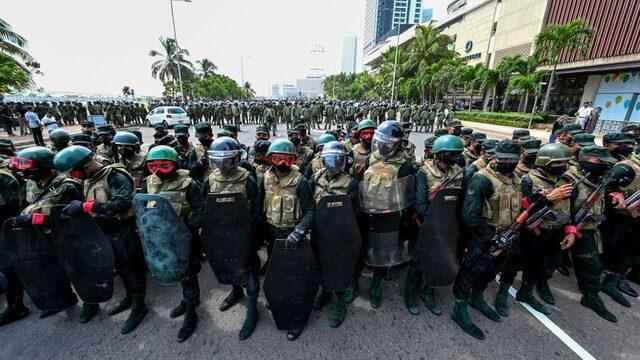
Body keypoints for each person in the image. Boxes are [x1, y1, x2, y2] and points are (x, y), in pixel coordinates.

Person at [53, 146, 149, 331]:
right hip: (104, 231)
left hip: (123, 229)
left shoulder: (115, 176)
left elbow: (121, 204)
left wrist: (85, 207)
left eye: (74, 171)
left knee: (131, 267)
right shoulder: (89, 180)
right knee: (120, 266)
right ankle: (129, 297)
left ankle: (139, 305)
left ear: (86, 166)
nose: (74, 176)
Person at [451, 140, 522, 340]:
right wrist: (487, 237)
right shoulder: (482, 179)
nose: (508, 163)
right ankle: (460, 308)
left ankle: (477, 298)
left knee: (491, 271)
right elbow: (469, 217)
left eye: (513, 160)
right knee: (470, 272)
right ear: (495, 157)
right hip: (483, 238)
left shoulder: (517, 179)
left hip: (507, 236)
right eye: (503, 159)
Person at [494, 143, 574, 317]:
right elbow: (521, 208)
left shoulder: (567, 181)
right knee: (513, 263)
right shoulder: (528, 180)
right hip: (528, 232)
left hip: (554, 232)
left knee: (539, 265)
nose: (564, 166)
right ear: (546, 162)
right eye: (559, 163)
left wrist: (570, 230)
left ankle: (526, 292)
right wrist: (548, 199)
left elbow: (570, 208)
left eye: (566, 162)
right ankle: (502, 293)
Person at [7, 146, 81, 318]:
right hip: (42, 236)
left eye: (29, 170)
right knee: (54, 270)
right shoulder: (31, 184)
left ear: (44, 167)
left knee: (76, 269)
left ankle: (90, 302)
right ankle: (64, 299)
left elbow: (66, 216)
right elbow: (26, 205)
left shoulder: (66, 185)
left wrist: (35, 219)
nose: (24, 174)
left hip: (66, 235)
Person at [141, 145, 205, 342]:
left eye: (164, 166)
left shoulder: (189, 184)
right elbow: (144, 206)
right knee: (176, 273)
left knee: (188, 276)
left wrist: (184, 227)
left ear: (175, 165)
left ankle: (191, 313)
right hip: (161, 240)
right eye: (153, 166)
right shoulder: (149, 182)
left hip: (184, 239)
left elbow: (201, 211)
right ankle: (187, 301)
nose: (158, 171)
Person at [203, 137, 261, 340]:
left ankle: (253, 308)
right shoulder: (210, 179)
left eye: (226, 159)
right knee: (229, 264)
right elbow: (206, 208)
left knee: (250, 269)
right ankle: (237, 291)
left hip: (244, 234)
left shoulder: (247, 179)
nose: (222, 164)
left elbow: (256, 209)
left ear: (236, 158)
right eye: (217, 159)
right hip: (222, 233)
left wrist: (254, 237)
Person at [557, 145, 619, 322]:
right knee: (547, 263)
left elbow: (605, 192)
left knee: (592, 264)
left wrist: (615, 195)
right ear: (585, 159)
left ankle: (590, 296)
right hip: (562, 227)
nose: (604, 165)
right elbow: (561, 208)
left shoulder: (600, 177)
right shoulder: (570, 179)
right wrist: (569, 228)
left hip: (587, 228)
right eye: (599, 161)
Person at [261, 139, 314, 340]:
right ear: (270, 159)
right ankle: (277, 300)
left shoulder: (301, 181)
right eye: (276, 158)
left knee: (297, 280)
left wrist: (300, 230)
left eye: (286, 159)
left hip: (293, 236)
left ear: (293, 160)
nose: (281, 163)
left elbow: (310, 211)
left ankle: (298, 320)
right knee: (276, 275)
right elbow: (260, 205)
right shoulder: (265, 177)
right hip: (272, 234)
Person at [360, 120, 416, 309]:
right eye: (381, 141)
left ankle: (377, 285)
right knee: (370, 246)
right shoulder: (372, 158)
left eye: (388, 143)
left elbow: (408, 196)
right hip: (370, 212)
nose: (383, 146)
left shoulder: (404, 166)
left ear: (398, 144)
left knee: (384, 251)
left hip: (390, 215)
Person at [308, 141, 360, 327]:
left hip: (340, 233)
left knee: (338, 266)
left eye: (337, 159)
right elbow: (308, 203)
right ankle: (324, 291)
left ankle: (339, 302)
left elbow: (355, 213)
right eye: (329, 159)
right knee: (320, 263)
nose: (333, 163)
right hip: (319, 230)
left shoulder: (351, 183)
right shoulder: (315, 177)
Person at [413, 135, 465, 316]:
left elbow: (460, 201)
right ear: (440, 154)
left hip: (448, 225)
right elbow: (419, 205)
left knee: (439, 261)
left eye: (457, 154)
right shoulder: (424, 172)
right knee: (418, 263)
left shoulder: (458, 171)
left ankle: (429, 291)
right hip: (427, 224)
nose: (456, 157)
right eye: (452, 154)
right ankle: (411, 295)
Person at [0, 140, 29, 326]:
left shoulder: (11, 165)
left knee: (8, 266)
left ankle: (16, 307)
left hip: (9, 223)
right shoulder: (12, 162)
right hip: (18, 217)